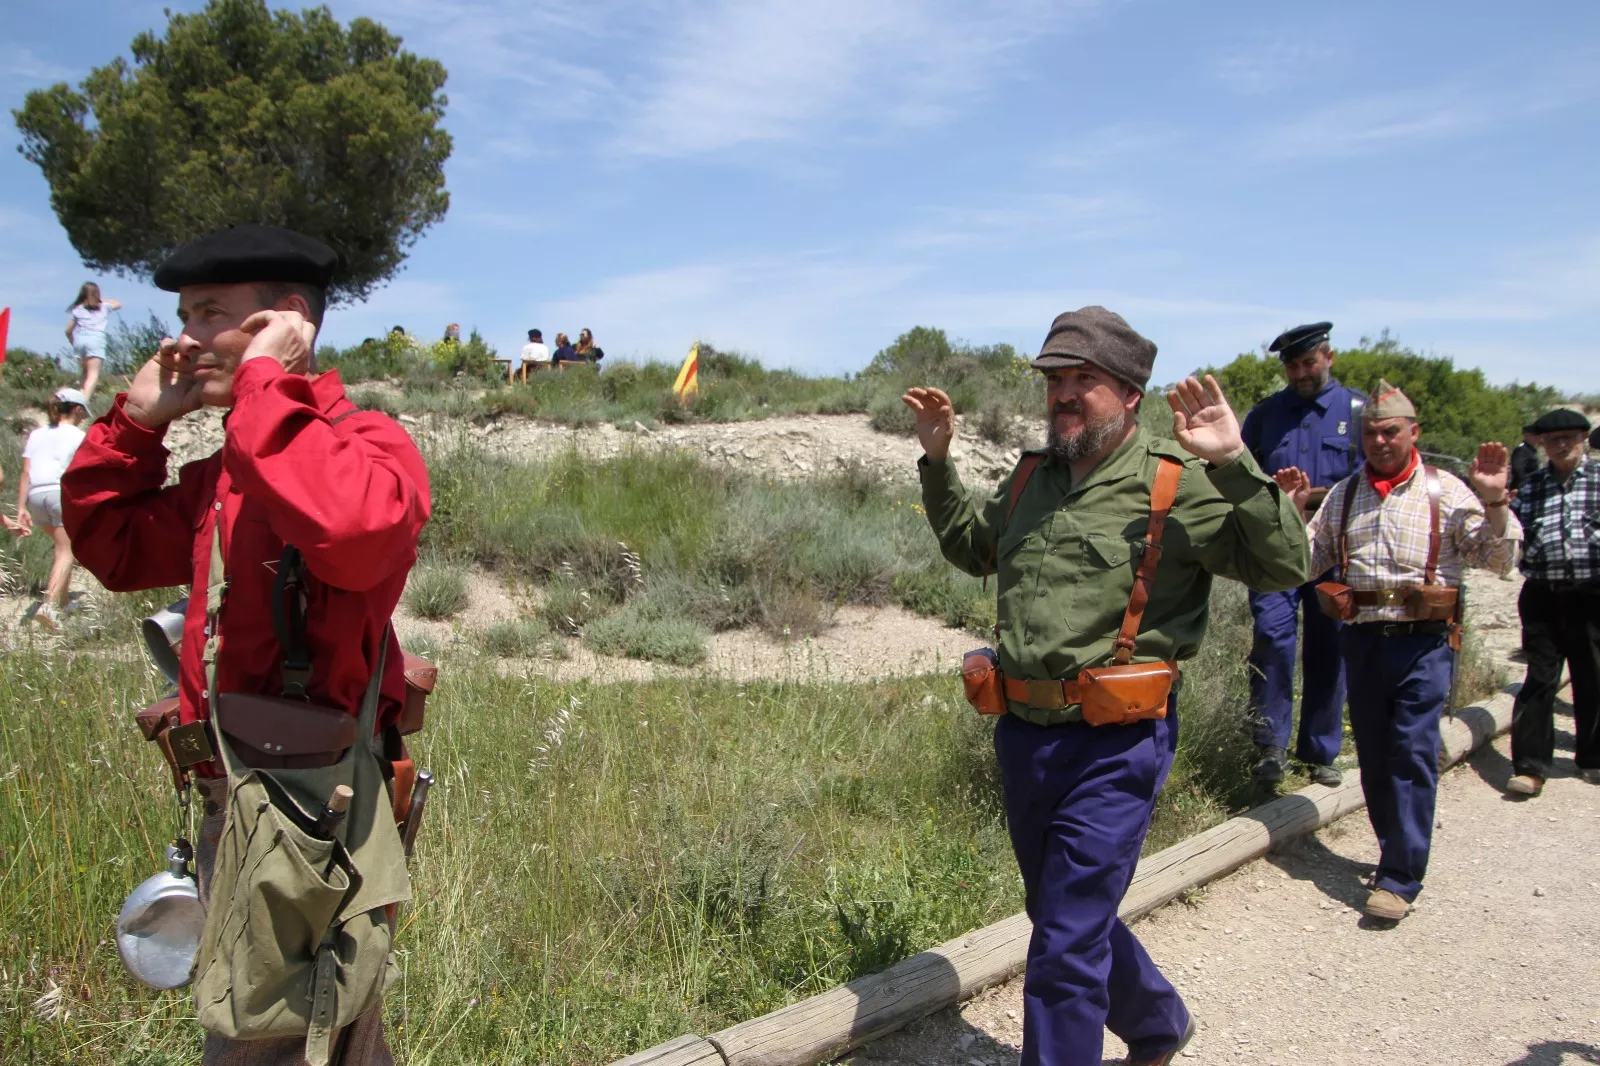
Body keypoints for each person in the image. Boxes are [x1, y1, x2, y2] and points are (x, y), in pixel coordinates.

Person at [61, 223, 430, 1064]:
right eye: (184, 314)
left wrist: (267, 381)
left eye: (209, 314)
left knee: (260, 1038)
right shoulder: (233, 468)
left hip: (309, 811)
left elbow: (352, 525)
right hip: (245, 799)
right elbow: (109, 542)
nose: (180, 339)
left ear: (285, 322)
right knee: (319, 1039)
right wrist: (138, 423)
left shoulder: (371, 446)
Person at [905, 306, 1309, 1066]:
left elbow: (1287, 566)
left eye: (1081, 380)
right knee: (1062, 914)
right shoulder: (1031, 477)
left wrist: (1234, 463)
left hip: (1118, 743)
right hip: (1024, 736)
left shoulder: (1176, 481)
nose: (1062, 395)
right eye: (1054, 380)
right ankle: (1158, 1025)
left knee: (1062, 941)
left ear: (1128, 393)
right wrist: (937, 460)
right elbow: (971, 548)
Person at [1286, 381, 1518, 921]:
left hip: (1425, 645)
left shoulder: (1447, 492)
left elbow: (1499, 560)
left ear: (1414, 433)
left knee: (1412, 750)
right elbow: (1305, 562)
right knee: (1373, 755)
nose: (1379, 441)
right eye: (1370, 432)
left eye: (1390, 431)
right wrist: (1292, 516)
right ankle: (1397, 847)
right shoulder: (1344, 494)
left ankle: (1400, 876)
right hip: (1363, 642)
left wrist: (1496, 501)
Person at [1239, 322, 1365, 789]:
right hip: (1275, 545)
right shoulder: (1266, 415)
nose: (1301, 372)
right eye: (1292, 365)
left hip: (1337, 547)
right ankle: (1269, 748)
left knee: (1330, 645)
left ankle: (1320, 751)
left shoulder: (1357, 412)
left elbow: (1373, 482)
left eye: (1308, 362)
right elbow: (1241, 476)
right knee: (1272, 638)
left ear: (1328, 357)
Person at [1505, 408, 1599, 796]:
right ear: (1541, 443)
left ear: (1583, 439)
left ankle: (1593, 758)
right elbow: (1511, 532)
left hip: (1593, 593)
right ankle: (1530, 766)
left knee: (1593, 673)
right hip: (1543, 594)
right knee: (1540, 679)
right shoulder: (1533, 486)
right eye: (1553, 439)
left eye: (1569, 438)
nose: (1562, 445)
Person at [13, 387, 91, 627]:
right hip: (60, 491)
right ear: (77, 410)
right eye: (82, 414)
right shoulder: (79, 435)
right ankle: (49, 606)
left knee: (61, 547)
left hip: (36, 496)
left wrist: (21, 508)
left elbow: (26, 472)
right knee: (67, 551)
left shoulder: (37, 434)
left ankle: (64, 601)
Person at [66, 282, 122, 401]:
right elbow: (118, 304)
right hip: (96, 340)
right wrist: (100, 299)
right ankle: (83, 403)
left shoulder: (77, 309)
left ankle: (79, 399)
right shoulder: (104, 307)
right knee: (93, 374)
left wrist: (73, 342)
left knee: (84, 374)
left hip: (80, 341)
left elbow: (68, 331)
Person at [1509, 426, 1541, 495]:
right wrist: (1526, 484)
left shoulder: (1530, 450)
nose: (1536, 438)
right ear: (1526, 436)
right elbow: (1517, 469)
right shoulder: (1521, 450)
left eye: (1537, 435)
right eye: (1534, 435)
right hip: (1522, 490)